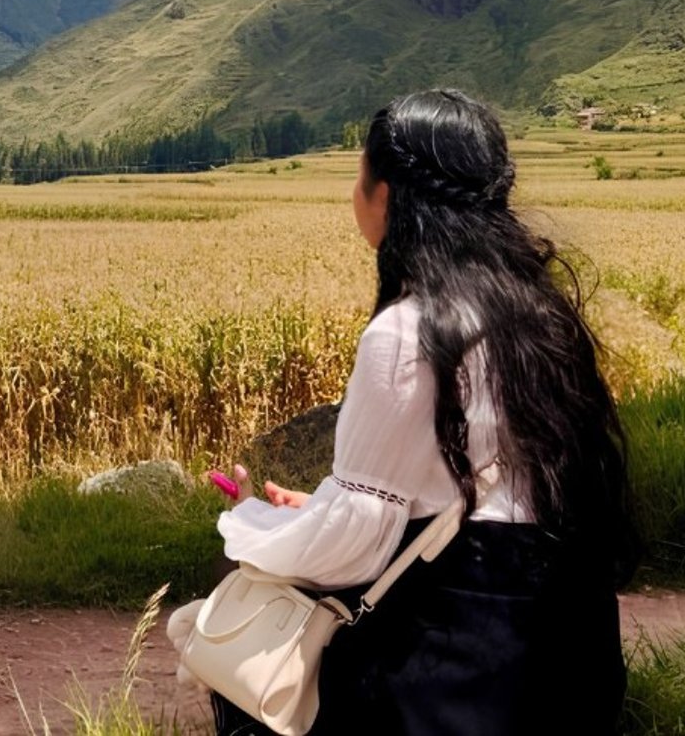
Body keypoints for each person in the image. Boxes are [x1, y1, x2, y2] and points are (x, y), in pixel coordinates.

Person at [206, 88, 638, 735]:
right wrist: (327, 505)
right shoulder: (539, 315)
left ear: (386, 196)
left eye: (360, 175)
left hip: (459, 675)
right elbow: (463, 498)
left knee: (247, 620)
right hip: (571, 665)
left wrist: (253, 526)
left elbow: (353, 546)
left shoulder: (408, 332)